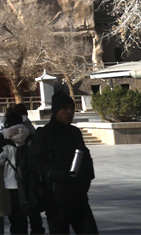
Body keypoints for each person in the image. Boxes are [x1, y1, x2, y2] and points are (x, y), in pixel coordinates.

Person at [28, 90, 97, 235]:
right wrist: (58, 175)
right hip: (55, 198)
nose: (70, 112)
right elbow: (34, 163)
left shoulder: (75, 132)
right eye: (65, 108)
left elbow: (85, 156)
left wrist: (87, 178)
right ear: (56, 111)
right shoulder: (44, 133)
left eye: (72, 108)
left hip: (78, 195)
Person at [0, 111, 35, 235]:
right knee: (29, 208)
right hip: (27, 179)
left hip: (11, 182)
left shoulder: (6, 142)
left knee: (15, 211)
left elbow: (0, 161)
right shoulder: (29, 137)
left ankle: (17, 232)